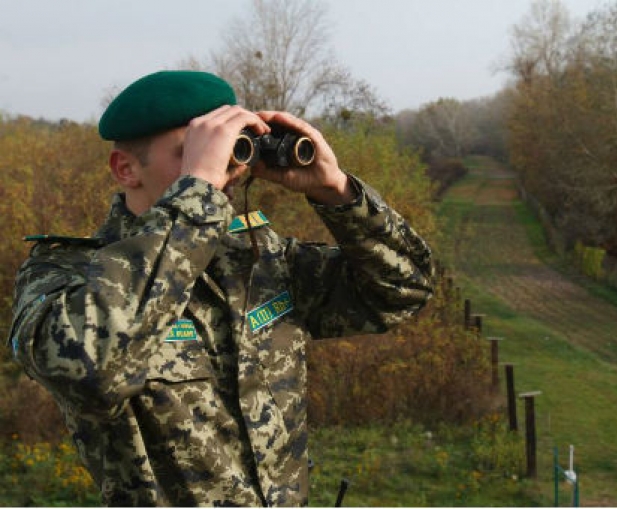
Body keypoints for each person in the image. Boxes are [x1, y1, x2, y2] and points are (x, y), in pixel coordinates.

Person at [8, 70, 434, 506]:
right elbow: (92, 370)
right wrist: (198, 194)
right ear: (126, 169)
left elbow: (404, 289)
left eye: (227, 147)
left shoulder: (258, 259)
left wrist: (338, 193)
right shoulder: (65, 275)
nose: (221, 167)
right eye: (191, 152)